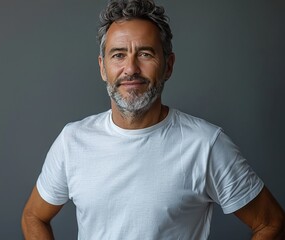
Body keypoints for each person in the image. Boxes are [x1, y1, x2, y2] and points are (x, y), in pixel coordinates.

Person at [21, 0, 285, 239]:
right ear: (103, 67)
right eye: (119, 55)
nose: (131, 68)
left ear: (168, 66)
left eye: (146, 54)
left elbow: (271, 223)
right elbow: (33, 216)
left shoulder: (205, 144)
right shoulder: (73, 140)